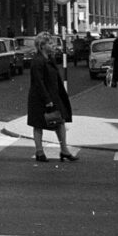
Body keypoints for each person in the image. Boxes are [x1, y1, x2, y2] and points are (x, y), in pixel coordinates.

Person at [27, 32, 78, 162]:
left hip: (53, 96)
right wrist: (47, 100)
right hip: (40, 99)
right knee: (38, 124)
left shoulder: (50, 59)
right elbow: (39, 82)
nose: (53, 45)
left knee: (59, 121)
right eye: (50, 43)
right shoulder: (38, 61)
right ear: (42, 45)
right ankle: (39, 152)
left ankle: (64, 150)